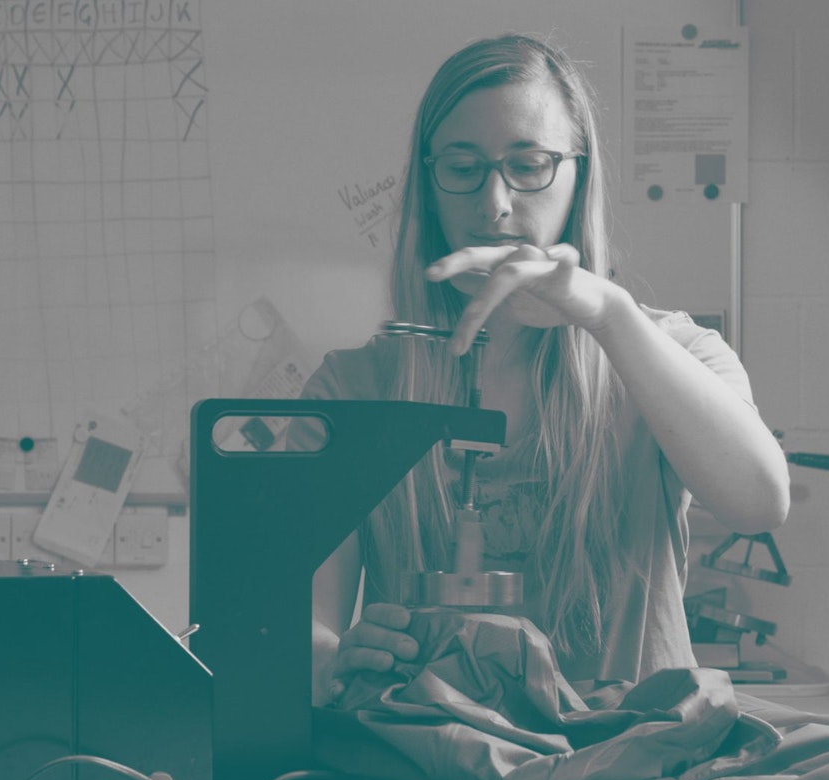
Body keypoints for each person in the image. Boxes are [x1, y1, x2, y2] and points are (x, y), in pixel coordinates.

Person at [307, 33, 789, 706]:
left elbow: (759, 504)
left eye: (528, 165)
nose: (496, 203)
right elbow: (306, 624)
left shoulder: (668, 351)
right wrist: (331, 660)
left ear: (577, 176)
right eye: (462, 166)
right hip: (438, 769)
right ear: (429, 182)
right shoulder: (354, 389)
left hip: (632, 770)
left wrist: (610, 318)